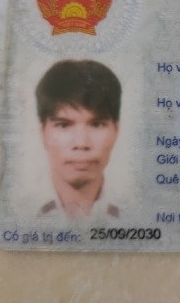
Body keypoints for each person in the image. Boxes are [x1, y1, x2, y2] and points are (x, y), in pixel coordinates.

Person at [35, 59, 121, 219]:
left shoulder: (137, 212)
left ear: (116, 131)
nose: (81, 143)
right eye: (63, 125)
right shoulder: (17, 211)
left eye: (97, 124)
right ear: (43, 133)